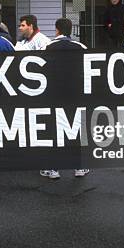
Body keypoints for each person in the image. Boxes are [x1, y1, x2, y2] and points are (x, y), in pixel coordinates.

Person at [40, 18, 89, 179]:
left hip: (53, 95)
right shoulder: (80, 47)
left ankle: (53, 169)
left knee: (54, 130)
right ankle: (79, 167)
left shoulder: (47, 46)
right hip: (75, 95)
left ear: (57, 30)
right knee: (75, 130)